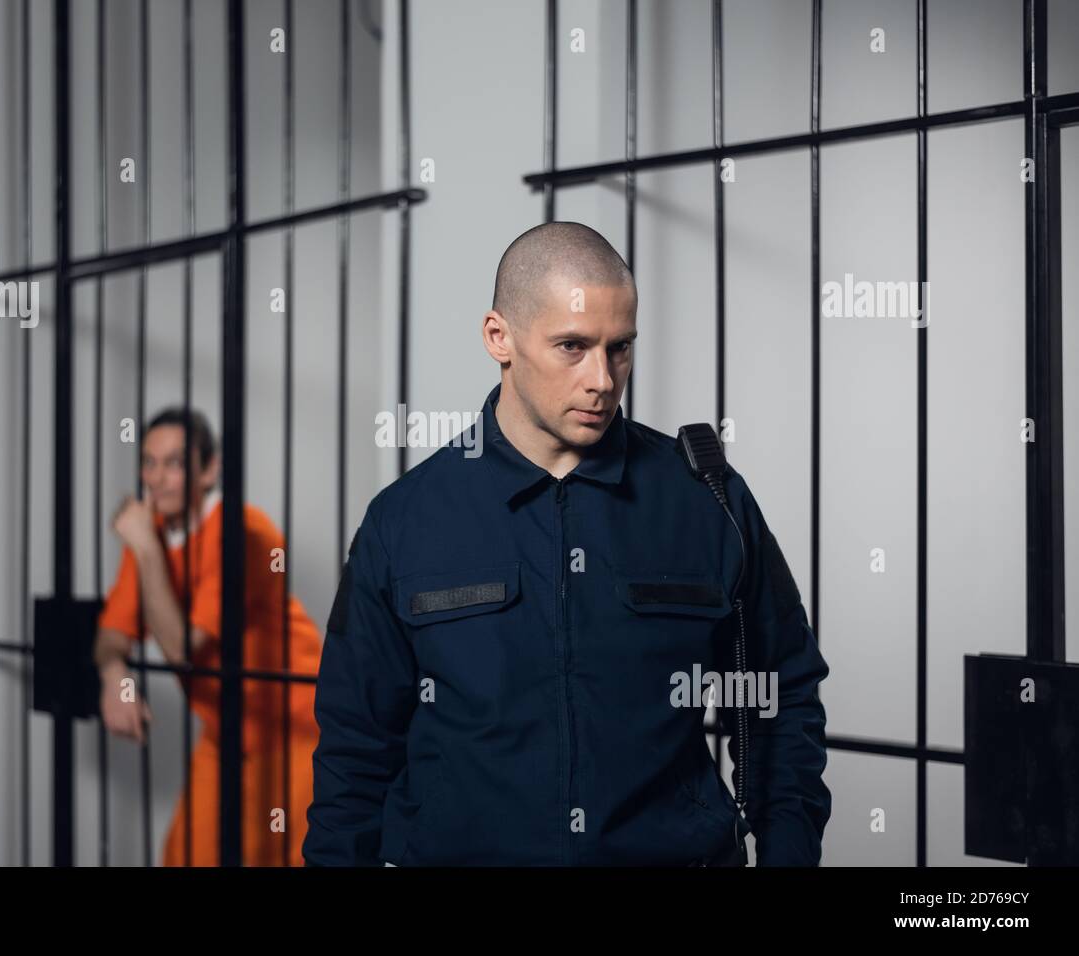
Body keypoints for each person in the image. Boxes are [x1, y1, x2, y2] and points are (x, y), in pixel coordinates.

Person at [304, 221, 831, 866]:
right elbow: (355, 752)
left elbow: (783, 694)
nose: (603, 380)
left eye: (620, 348)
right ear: (499, 337)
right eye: (572, 347)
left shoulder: (707, 501)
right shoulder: (404, 521)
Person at [95, 406, 322, 866]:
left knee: (296, 857)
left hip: (298, 726)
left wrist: (141, 546)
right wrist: (115, 676)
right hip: (228, 731)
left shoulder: (242, 531)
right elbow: (111, 636)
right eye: (149, 463)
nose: (157, 479)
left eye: (175, 463)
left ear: (210, 469)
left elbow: (182, 648)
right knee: (185, 856)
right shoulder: (153, 534)